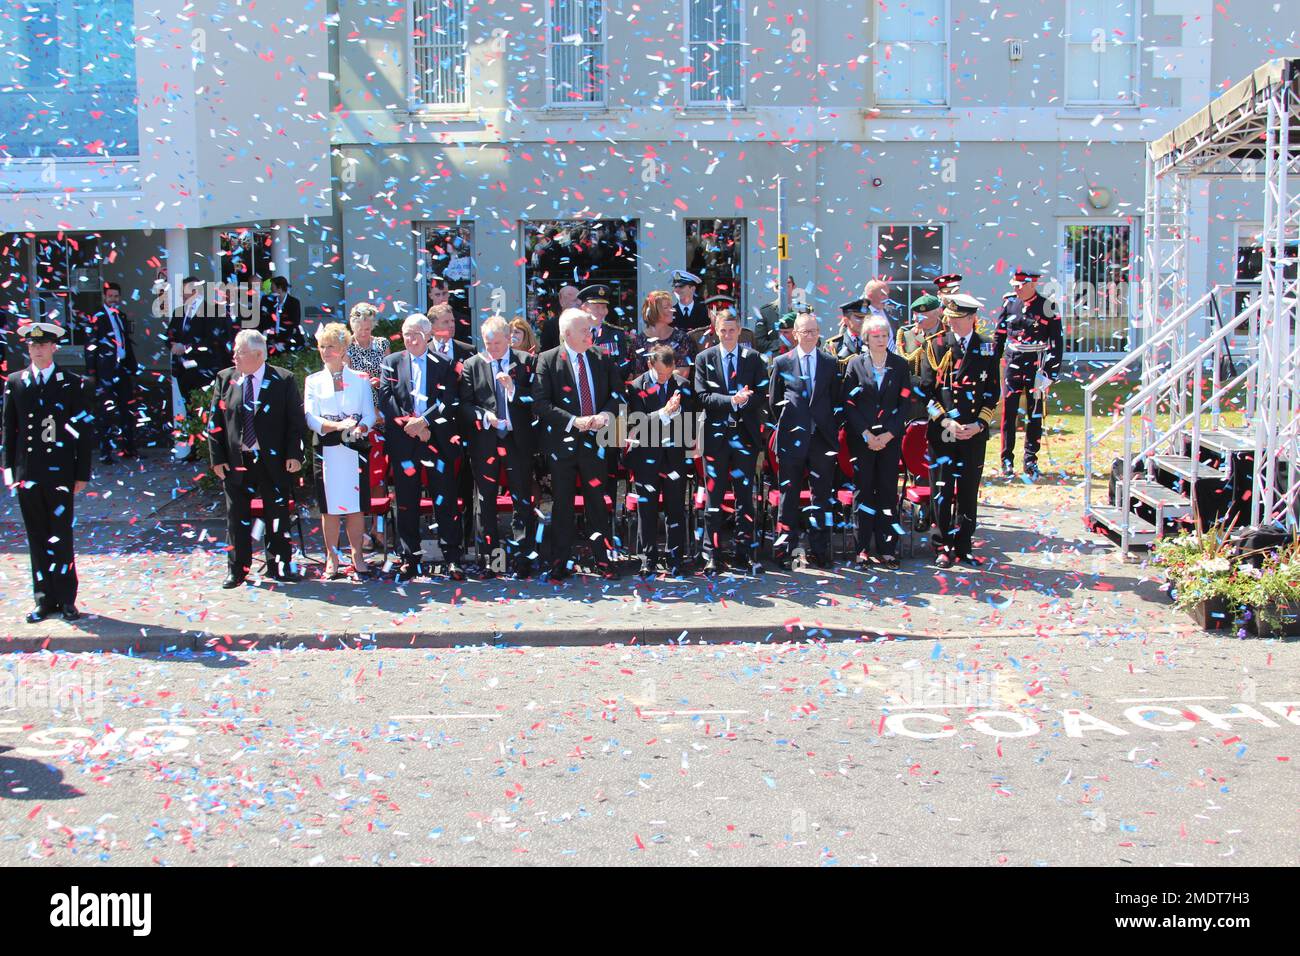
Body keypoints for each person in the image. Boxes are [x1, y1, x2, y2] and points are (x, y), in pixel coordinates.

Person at [2, 322, 93, 622]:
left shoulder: (71, 382)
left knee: (61, 534)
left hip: (61, 473)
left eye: (43, 344)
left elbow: (82, 429)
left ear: (54, 347)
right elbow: (9, 431)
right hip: (28, 471)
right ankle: (44, 599)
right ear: (27, 348)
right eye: (33, 345)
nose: (38, 349)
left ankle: (66, 598)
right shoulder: (15, 382)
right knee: (36, 536)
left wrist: (81, 473)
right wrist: (9, 472)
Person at [207, 329, 307, 587]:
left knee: (277, 514)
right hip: (237, 460)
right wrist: (217, 458)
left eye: (239, 352)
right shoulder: (225, 378)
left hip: (272, 460)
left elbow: (295, 422)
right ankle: (237, 569)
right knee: (236, 516)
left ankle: (279, 565)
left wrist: (294, 454)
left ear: (258, 355)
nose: (234, 357)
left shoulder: (283, 380)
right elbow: (215, 422)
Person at [532, 308, 622, 580]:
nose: (591, 334)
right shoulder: (547, 360)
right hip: (562, 443)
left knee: (597, 502)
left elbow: (618, 393)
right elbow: (540, 403)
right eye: (585, 330)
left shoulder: (601, 357)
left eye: (590, 329)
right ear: (567, 334)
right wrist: (574, 421)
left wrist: (605, 415)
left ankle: (602, 560)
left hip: (596, 442)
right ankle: (560, 561)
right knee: (562, 504)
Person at [380, 314, 466, 581]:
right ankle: (410, 558)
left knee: (445, 500)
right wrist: (412, 425)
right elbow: (386, 398)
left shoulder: (444, 364)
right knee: (407, 502)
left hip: (435, 441)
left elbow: (448, 401)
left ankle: (452, 557)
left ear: (429, 335)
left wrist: (425, 423)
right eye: (406, 333)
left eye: (416, 333)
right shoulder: (391, 363)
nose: (411, 338)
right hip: (405, 443)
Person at [920, 293, 1000, 569]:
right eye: (949, 318)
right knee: (942, 490)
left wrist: (979, 423)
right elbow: (925, 393)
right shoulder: (935, 345)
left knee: (967, 491)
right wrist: (945, 421)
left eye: (958, 319)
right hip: (943, 431)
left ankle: (964, 545)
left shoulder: (987, 347)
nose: (951, 323)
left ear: (972, 319)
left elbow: (992, 392)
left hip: (973, 432)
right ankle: (941, 545)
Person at [459, 316, 537, 579]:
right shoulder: (473, 364)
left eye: (497, 343)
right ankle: (492, 561)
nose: (492, 348)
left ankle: (521, 559)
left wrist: (513, 389)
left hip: (517, 441)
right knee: (486, 501)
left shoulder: (525, 361)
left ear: (509, 339)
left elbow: (536, 400)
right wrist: (484, 416)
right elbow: (465, 404)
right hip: (486, 442)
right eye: (488, 343)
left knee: (521, 499)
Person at [694, 309, 767, 576]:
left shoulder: (753, 358)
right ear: (715, 330)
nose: (727, 335)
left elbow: (762, 393)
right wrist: (731, 400)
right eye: (723, 330)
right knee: (713, 499)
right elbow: (701, 396)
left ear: (739, 331)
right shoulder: (704, 358)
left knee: (744, 499)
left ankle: (744, 553)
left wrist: (745, 400)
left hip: (745, 437)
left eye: (732, 330)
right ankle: (712, 554)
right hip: (715, 438)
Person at [768, 312, 841, 569]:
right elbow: (773, 402)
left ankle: (819, 551)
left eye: (814, 331)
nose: (809, 336)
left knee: (821, 497)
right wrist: (792, 424)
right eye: (804, 332)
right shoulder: (782, 362)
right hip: (791, 439)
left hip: (821, 440)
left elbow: (836, 401)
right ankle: (786, 550)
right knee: (789, 496)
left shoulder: (831, 363)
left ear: (819, 332)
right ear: (795, 334)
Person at [304, 322, 376, 581]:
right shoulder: (313, 381)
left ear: (344, 348)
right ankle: (332, 558)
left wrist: (361, 427)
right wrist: (337, 425)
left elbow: (369, 413)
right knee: (330, 509)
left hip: (354, 449)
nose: (325, 351)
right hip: (327, 450)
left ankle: (357, 555)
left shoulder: (359, 380)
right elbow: (311, 418)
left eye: (331, 346)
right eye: (322, 346)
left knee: (355, 507)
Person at [843, 317, 910, 569]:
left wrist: (889, 435)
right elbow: (848, 404)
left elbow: (905, 404)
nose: (880, 340)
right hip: (863, 441)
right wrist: (867, 435)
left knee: (887, 493)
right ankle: (861, 548)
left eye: (884, 336)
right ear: (866, 339)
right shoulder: (855, 365)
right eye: (876, 336)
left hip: (890, 441)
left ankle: (887, 548)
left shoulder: (900, 365)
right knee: (863, 492)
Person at [625, 344, 695, 578]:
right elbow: (636, 424)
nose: (665, 378)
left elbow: (691, 423)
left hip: (674, 457)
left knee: (675, 508)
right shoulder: (637, 387)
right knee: (647, 509)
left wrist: (678, 414)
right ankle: (648, 559)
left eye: (669, 373)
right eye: (660, 374)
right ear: (650, 365)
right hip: (646, 456)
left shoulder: (683, 386)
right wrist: (664, 413)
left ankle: (675, 558)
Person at [994, 269, 1064, 479]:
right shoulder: (1010, 304)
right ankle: (1007, 459)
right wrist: (991, 364)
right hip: (1014, 362)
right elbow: (999, 335)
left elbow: (1056, 342)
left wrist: (1050, 373)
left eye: (1020, 285)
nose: (1016, 288)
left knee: (1034, 413)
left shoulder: (1048, 306)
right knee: (1009, 412)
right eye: (1014, 284)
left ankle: (1030, 459)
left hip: (1037, 364)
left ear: (1032, 284)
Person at [85, 282, 138, 463]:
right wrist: (92, 372)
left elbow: (125, 341)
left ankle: (128, 448)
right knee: (106, 412)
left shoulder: (120, 316)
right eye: (110, 296)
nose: (114, 299)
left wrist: (132, 365)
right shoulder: (97, 317)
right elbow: (90, 345)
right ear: (104, 297)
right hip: (105, 371)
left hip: (122, 368)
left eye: (116, 296)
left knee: (127, 409)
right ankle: (105, 452)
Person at [897, 293, 947, 422]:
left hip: (940, 402)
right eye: (914, 314)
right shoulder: (907, 335)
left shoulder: (949, 335)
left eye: (921, 315)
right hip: (913, 402)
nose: (916, 318)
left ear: (937, 313)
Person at [580, 284, 634, 382]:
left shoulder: (617, 334)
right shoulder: (576, 333)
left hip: (609, 392)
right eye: (596, 307)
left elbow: (624, 366)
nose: (601, 311)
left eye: (604, 307)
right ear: (584, 308)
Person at [634, 290, 695, 374]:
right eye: (666, 307)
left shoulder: (681, 338)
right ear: (654, 311)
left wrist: (659, 378)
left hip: (674, 386)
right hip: (648, 387)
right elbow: (638, 375)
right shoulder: (639, 340)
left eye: (671, 307)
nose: (672, 310)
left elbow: (683, 372)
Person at [688, 295, 756, 352]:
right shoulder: (696, 337)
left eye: (724, 311)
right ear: (709, 313)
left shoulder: (747, 335)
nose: (720, 316)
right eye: (716, 312)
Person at [259, 276, 304, 354]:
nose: (271, 290)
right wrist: (271, 339)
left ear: (279, 288)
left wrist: (283, 340)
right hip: (271, 341)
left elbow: (295, 322)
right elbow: (264, 320)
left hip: (289, 341)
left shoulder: (293, 302)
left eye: (273, 287)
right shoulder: (268, 301)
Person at [823, 298, 867, 372]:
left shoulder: (872, 341)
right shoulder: (833, 345)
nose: (863, 321)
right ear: (846, 320)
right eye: (859, 318)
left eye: (865, 317)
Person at [539, 284, 579, 352]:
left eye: (579, 299)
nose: (578, 303)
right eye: (574, 300)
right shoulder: (550, 325)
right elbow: (545, 352)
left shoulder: (586, 323)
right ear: (561, 301)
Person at [862, 279, 898, 350]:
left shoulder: (891, 312)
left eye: (887, 295)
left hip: (893, 359)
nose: (886, 298)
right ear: (870, 295)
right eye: (883, 294)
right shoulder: (858, 314)